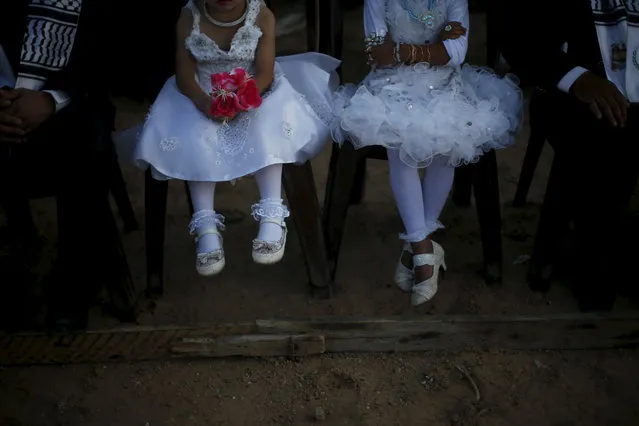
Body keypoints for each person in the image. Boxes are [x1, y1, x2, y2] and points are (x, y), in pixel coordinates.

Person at [126, 0, 339, 276]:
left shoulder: (261, 15)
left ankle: (272, 209)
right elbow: (185, 76)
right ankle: (205, 224)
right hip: (202, 94)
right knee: (194, 134)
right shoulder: (188, 17)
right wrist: (204, 103)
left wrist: (244, 98)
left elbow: (264, 72)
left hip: (253, 91)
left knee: (268, 126)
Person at [331, 0, 522, 306]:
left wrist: (402, 50)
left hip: (444, 85)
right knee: (399, 138)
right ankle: (423, 249)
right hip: (391, 85)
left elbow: (456, 54)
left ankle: (420, 248)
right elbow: (378, 54)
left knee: (450, 138)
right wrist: (432, 49)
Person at [501, 0, 639, 311]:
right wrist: (577, 77)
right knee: (605, 136)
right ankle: (594, 264)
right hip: (573, 95)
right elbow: (516, 38)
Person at [0, 0, 122, 331]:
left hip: (58, 108)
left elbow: (104, 68)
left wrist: (51, 100)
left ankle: (70, 290)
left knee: (86, 143)